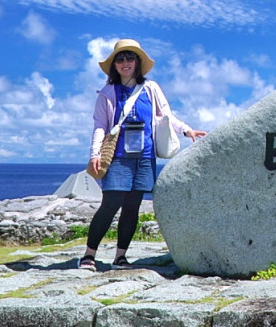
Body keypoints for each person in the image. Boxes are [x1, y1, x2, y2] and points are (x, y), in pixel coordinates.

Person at [79, 38, 205, 270]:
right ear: (114, 65)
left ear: (137, 62)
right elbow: (100, 126)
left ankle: (120, 257)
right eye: (120, 59)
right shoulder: (107, 93)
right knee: (110, 204)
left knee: (132, 208)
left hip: (145, 157)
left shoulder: (151, 88)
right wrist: (94, 154)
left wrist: (187, 130)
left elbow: (166, 116)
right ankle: (89, 255)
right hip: (118, 158)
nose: (125, 62)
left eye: (130, 58)